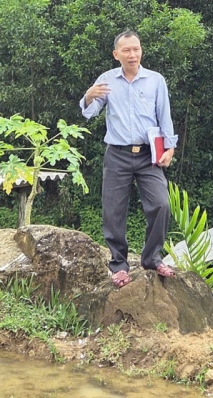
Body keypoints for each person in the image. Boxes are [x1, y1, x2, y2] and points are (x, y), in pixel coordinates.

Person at [80, 29, 177, 287]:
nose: (132, 54)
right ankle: (118, 265)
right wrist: (88, 97)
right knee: (113, 212)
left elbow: (164, 115)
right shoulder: (107, 80)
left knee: (161, 204)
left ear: (141, 50)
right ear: (116, 54)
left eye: (136, 49)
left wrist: (171, 147)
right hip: (117, 155)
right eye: (126, 50)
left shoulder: (156, 80)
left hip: (149, 155)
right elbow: (90, 112)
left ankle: (152, 257)